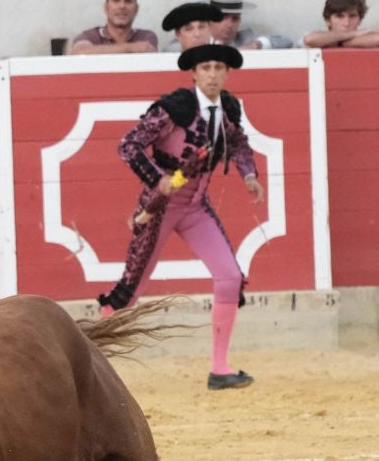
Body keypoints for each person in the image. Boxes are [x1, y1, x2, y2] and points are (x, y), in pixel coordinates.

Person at [98, 42, 264, 391]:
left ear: (227, 73)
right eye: (206, 68)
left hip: (196, 206)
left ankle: (220, 368)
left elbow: (237, 143)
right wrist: (154, 177)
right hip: (159, 207)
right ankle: (88, 359)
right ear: (194, 73)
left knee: (230, 277)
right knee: (130, 291)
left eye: (219, 68)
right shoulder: (173, 108)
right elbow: (128, 145)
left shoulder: (229, 108)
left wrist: (249, 174)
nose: (213, 74)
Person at [71, 0, 158, 55]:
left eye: (128, 1)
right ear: (106, 7)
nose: (122, 6)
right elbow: (79, 53)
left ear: (136, 9)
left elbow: (147, 50)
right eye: (116, 1)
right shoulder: (91, 36)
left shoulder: (145, 36)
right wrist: (130, 48)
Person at [302, 0, 379, 47]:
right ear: (328, 20)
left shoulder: (364, 37)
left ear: (360, 19)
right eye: (340, 16)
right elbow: (310, 39)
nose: (346, 23)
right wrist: (354, 34)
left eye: (352, 16)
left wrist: (337, 42)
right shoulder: (318, 35)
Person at [211, 0, 293, 49]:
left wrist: (257, 44)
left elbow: (286, 41)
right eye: (222, 17)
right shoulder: (199, 39)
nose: (230, 25)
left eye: (235, 18)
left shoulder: (245, 39)